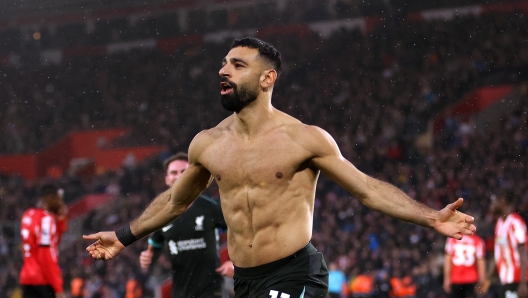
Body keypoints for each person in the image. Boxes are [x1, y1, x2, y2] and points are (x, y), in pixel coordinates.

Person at [84, 37, 476, 298]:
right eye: (223, 64)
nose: (223, 71)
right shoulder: (207, 144)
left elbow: (368, 190)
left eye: (237, 65)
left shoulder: (304, 139)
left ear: (267, 78)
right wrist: (123, 236)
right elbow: (174, 202)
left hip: (296, 271)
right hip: (246, 281)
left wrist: (430, 218)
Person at [138, 152, 234, 297]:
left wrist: (231, 261)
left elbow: (237, 235)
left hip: (211, 291)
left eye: (184, 171)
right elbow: (155, 244)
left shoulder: (211, 208)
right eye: (174, 172)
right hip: (180, 292)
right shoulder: (161, 214)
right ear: (166, 179)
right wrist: (148, 257)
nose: (179, 176)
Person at [20, 184, 68, 298]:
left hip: (28, 278)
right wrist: (57, 286)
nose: (60, 203)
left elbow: (52, 244)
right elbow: (45, 255)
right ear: (49, 199)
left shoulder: (28, 215)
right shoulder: (46, 220)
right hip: (43, 279)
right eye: (58, 199)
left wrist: (60, 221)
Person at [484, 190, 528, 298]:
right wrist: (487, 278)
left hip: (517, 279)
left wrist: (523, 283)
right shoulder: (499, 223)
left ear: (502, 201)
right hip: (505, 279)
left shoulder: (515, 223)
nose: (492, 205)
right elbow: (499, 252)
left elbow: (523, 252)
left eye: (494, 201)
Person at [443, 233, 486, 298]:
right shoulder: (478, 240)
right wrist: (482, 279)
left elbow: (448, 260)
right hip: (471, 278)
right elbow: (480, 261)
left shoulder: (452, 239)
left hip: (456, 278)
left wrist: (447, 278)